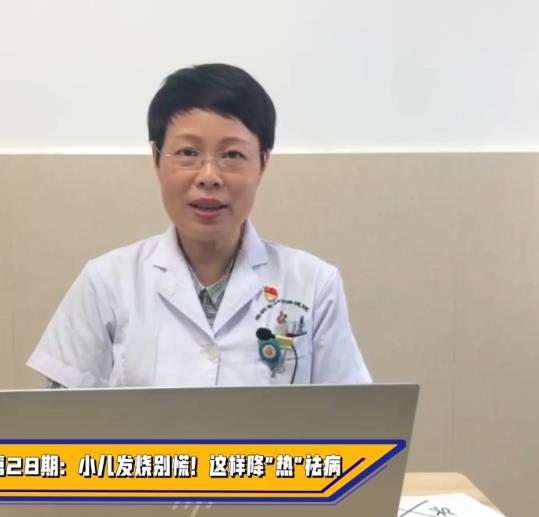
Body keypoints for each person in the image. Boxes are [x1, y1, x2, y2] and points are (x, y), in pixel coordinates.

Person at [26, 63, 371, 388]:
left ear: (263, 163)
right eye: (188, 153)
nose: (209, 176)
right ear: (156, 159)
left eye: (232, 155)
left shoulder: (314, 284)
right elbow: (61, 419)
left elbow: (350, 416)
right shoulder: (105, 282)